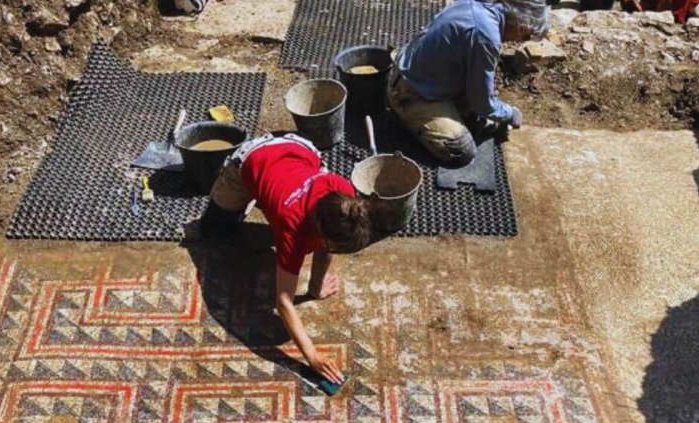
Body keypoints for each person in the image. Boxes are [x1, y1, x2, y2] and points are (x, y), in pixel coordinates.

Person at [199, 134, 388, 386]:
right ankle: (247, 192)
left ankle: (263, 193)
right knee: (212, 231)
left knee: (283, 207)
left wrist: (316, 288)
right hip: (252, 157)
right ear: (317, 228)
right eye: (330, 245)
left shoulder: (344, 197)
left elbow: (326, 246)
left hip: (299, 149)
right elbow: (283, 302)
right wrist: (312, 356)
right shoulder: (292, 229)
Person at [387, 0, 551, 166]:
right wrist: (509, 114)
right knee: (461, 151)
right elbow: (482, 104)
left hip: (417, 72)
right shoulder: (485, 37)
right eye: (526, 36)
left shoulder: (476, 6)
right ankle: (404, 115)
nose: (521, 40)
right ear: (521, 25)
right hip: (409, 91)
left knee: (476, 118)